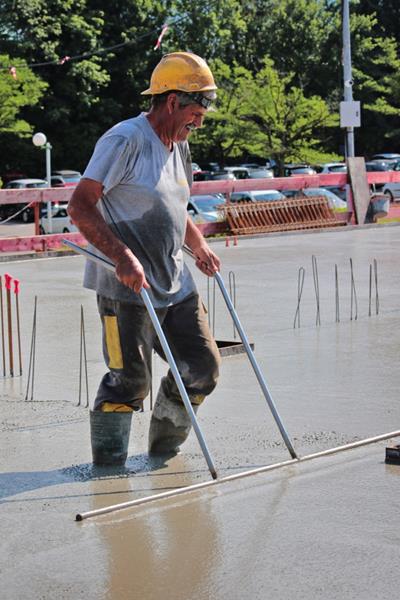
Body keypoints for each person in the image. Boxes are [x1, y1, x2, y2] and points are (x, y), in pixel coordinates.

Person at [68, 52, 221, 464]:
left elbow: (173, 204)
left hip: (174, 279)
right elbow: (80, 206)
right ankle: (109, 468)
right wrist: (121, 256)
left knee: (202, 366)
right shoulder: (125, 140)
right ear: (171, 102)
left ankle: (162, 453)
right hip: (125, 286)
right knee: (129, 381)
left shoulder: (179, 146)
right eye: (195, 112)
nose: (199, 122)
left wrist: (198, 244)